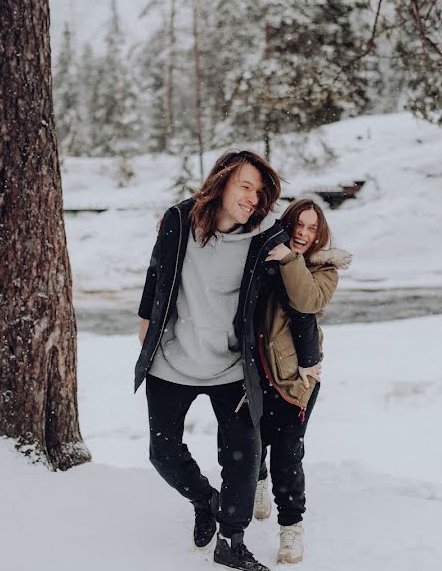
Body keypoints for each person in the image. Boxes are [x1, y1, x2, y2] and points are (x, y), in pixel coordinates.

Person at [135, 150, 287, 571]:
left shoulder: (266, 238)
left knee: (243, 453)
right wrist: (145, 332)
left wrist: (305, 355)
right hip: (172, 360)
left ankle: (231, 540)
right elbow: (156, 276)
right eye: (245, 186)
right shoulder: (179, 221)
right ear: (220, 182)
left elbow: (295, 296)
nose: (253, 198)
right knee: (162, 455)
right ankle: (205, 499)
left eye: (259, 192)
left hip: (232, 367)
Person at [254, 198, 351, 564]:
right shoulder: (265, 253)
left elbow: (306, 302)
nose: (303, 233)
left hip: (296, 377)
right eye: (298, 224)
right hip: (253, 367)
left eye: (312, 228)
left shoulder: (325, 271)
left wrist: (289, 260)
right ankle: (258, 482)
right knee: (249, 442)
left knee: (288, 453)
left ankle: (291, 528)